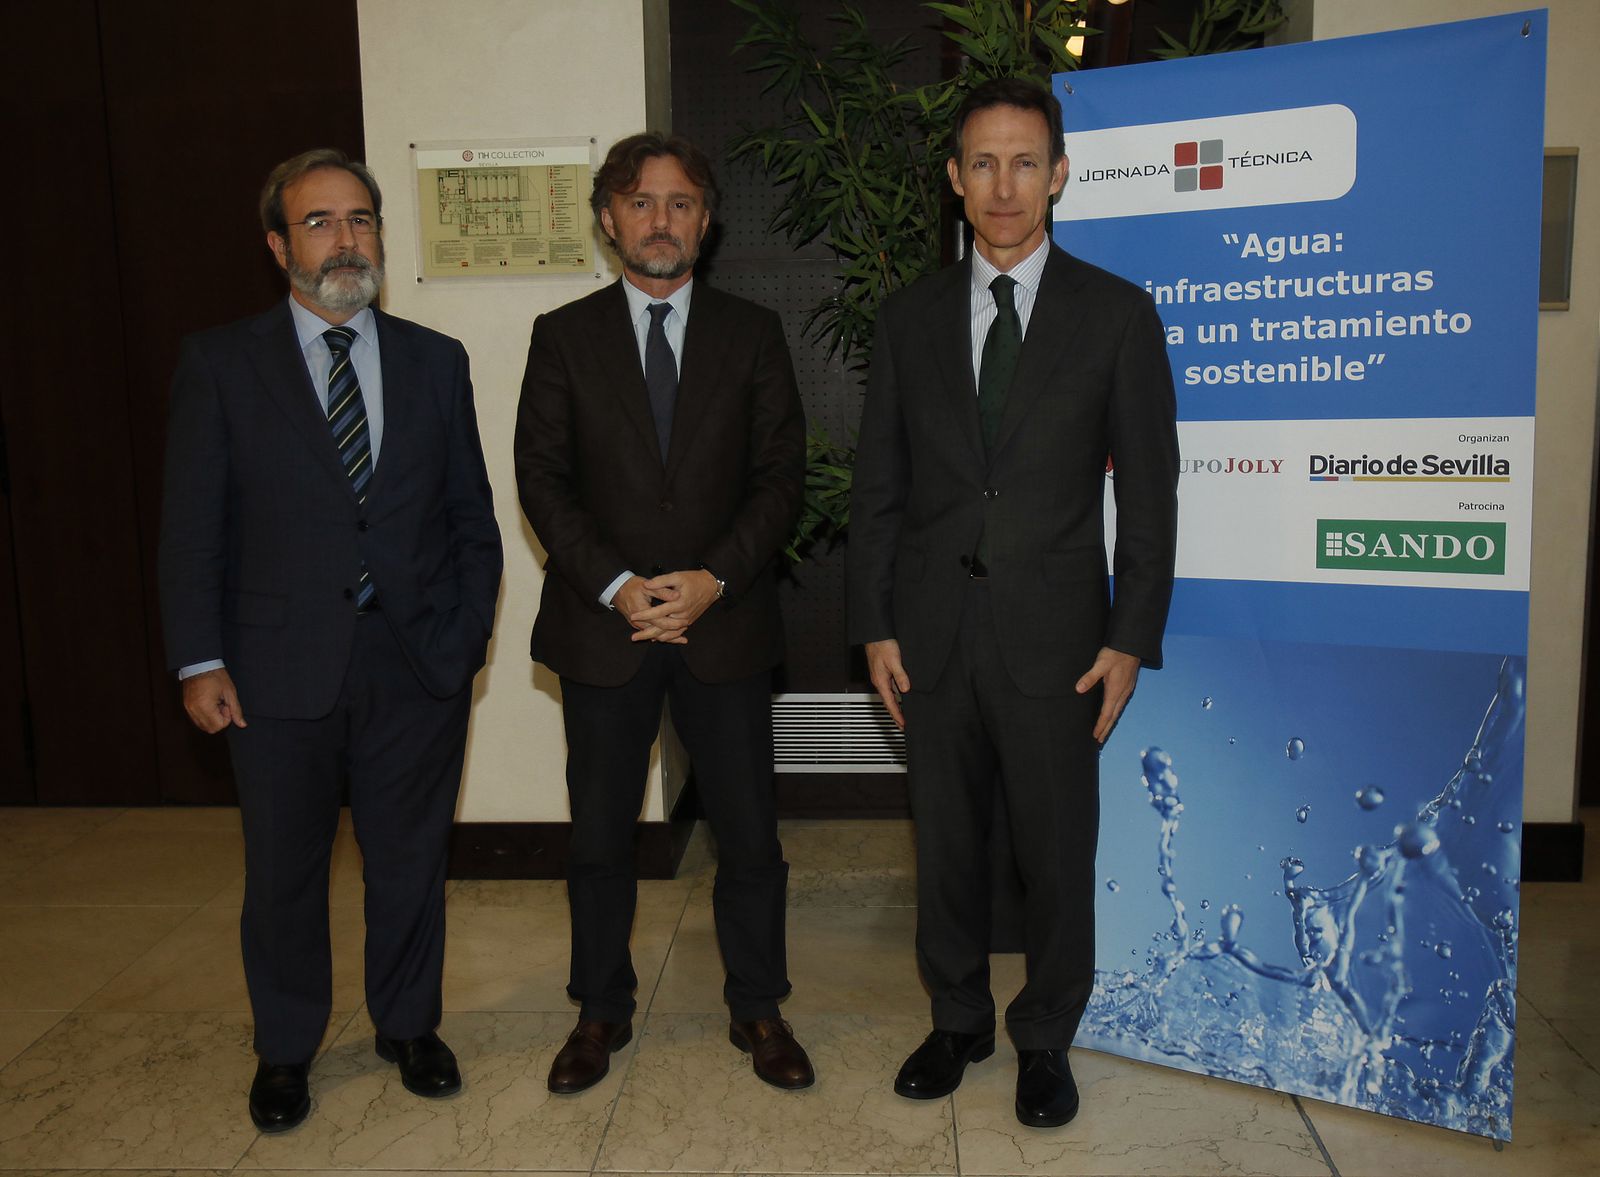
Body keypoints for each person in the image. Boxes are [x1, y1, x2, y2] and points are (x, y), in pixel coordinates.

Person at [847, 77, 1179, 1128]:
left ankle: (1044, 1038)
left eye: (1024, 161)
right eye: (981, 163)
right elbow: (879, 486)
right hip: (931, 636)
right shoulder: (905, 321)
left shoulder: (1116, 314)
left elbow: (1152, 492)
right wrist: (874, 623)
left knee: (1053, 852)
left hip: (1060, 643)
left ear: (1059, 174)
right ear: (953, 180)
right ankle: (956, 1021)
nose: (1003, 185)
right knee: (941, 844)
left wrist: (1131, 638)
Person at [159, 148, 503, 1131]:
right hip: (270, 670)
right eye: (319, 222)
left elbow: (471, 519)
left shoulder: (436, 361)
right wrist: (199, 658)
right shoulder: (221, 364)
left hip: (414, 662)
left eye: (360, 219)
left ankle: (408, 1025)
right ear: (277, 244)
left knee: (408, 860)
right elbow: (191, 527)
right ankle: (285, 1046)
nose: (345, 238)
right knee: (282, 871)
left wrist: (466, 635)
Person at [514, 133, 812, 1093]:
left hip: (723, 624)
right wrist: (619, 585)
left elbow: (779, 479)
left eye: (681, 203)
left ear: (706, 221)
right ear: (609, 219)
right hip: (605, 629)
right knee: (600, 836)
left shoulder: (753, 332)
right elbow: (543, 481)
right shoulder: (562, 335)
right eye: (641, 202)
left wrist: (712, 578)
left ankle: (758, 1005)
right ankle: (600, 1009)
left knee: (749, 836)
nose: (661, 220)